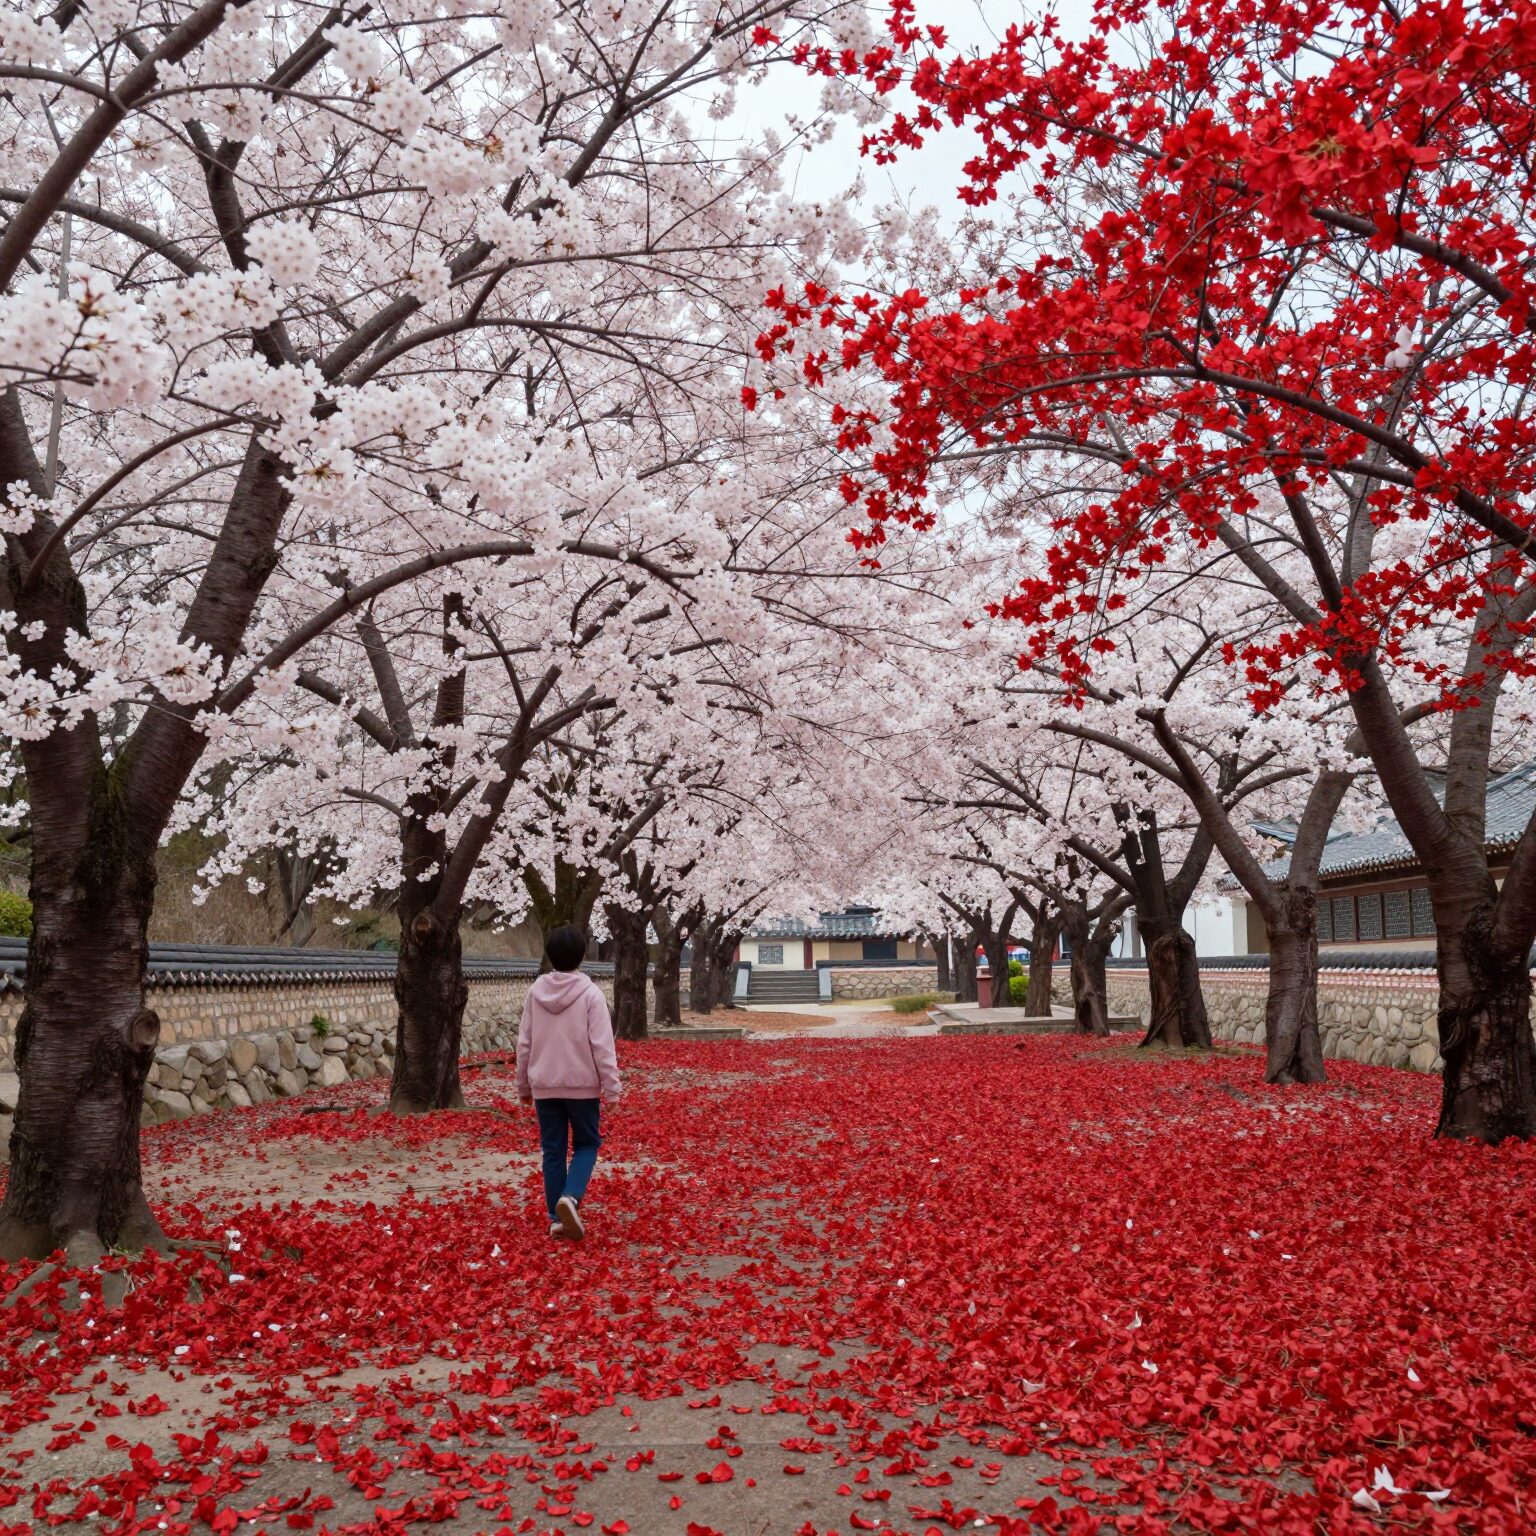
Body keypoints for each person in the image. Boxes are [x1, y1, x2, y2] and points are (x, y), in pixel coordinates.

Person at [515, 925, 623, 1241]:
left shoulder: (535, 993)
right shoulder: (591, 995)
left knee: (553, 1150)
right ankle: (570, 1198)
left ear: (549, 955)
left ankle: (556, 1218)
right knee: (587, 1144)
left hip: (545, 1085)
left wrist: (523, 1085)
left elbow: (525, 1042)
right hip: (582, 1085)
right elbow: (602, 1044)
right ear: (582, 955)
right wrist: (612, 1086)